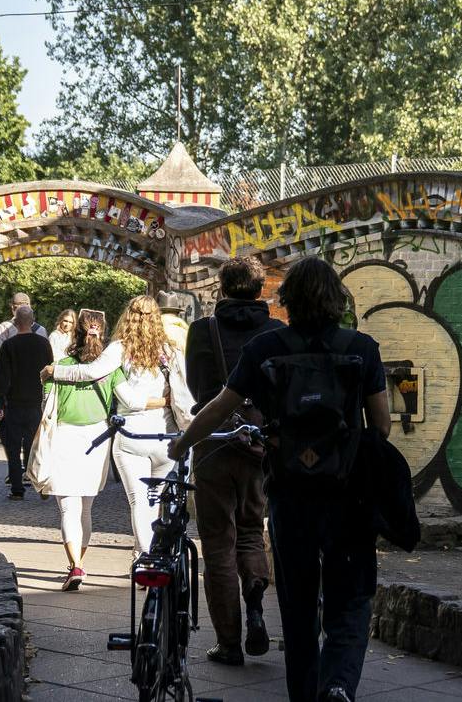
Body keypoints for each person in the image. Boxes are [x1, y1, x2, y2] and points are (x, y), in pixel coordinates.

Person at [171, 257, 390, 702]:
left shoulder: (267, 349)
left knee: (298, 607)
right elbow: (381, 427)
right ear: (337, 301)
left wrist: (181, 443)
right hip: (347, 496)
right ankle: (338, 685)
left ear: (286, 300)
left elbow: (218, 405)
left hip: (291, 494)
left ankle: (306, 693)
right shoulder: (362, 349)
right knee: (350, 602)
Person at [181, 257, 283, 666]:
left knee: (217, 542)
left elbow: (194, 384)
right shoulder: (276, 331)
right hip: (260, 443)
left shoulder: (202, 330)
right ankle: (256, 596)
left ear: (220, 288)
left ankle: (228, 641)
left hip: (215, 440)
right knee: (250, 530)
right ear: (260, 291)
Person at [28, 312, 124, 589]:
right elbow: (127, 400)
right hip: (97, 438)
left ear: (75, 335)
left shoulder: (61, 367)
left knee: (68, 507)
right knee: (86, 509)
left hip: (65, 435)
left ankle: (76, 567)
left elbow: (47, 405)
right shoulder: (111, 369)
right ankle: (77, 565)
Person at [108, 296, 194, 555]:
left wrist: (56, 372)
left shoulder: (119, 348)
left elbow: (122, 393)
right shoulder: (177, 343)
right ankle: (156, 553)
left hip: (132, 434)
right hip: (167, 434)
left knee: (139, 501)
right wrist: (167, 401)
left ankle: (144, 556)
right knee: (160, 499)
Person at [0, 305, 52, 500]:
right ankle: (41, 484)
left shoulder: (9, 346)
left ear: (15, 323)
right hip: (36, 403)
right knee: (37, 447)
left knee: (14, 448)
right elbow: (50, 373)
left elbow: (3, 378)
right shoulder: (43, 344)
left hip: (14, 404)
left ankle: (17, 489)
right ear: (32, 321)